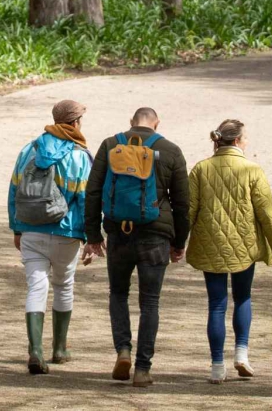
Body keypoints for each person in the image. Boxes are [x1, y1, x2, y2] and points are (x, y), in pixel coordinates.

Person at [84, 106, 190, 388]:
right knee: (150, 302)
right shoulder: (170, 150)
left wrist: (93, 235)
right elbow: (182, 203)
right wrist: (179, 242)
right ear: (157, 124)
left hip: (118, 234)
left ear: (131, 122)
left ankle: (123, 350)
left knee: (118, 293)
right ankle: (143, 368)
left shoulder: (110, 145)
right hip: (155, 236)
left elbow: (93, 191)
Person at [186, 118, 272, 383]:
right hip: (244, 245)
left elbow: (189, 210)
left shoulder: (201, 169)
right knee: (243, 297)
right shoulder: (252, 169)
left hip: (210, 243)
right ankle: (241, 353)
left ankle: (217, 365)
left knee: (216, 304)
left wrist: (177, 242)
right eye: (246, 137)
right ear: (238, 140)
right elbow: (266, 212)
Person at [8, 99, 94, 375]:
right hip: (66, 231)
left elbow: (14, 190)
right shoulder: (80, 155)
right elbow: (86, 199)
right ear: (76, 122)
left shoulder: (29, 149)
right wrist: (90, 235)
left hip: (31, 228)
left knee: (36, 287)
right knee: (64, 285)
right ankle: (60, 348)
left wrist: (17, 228)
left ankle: (35, 350)